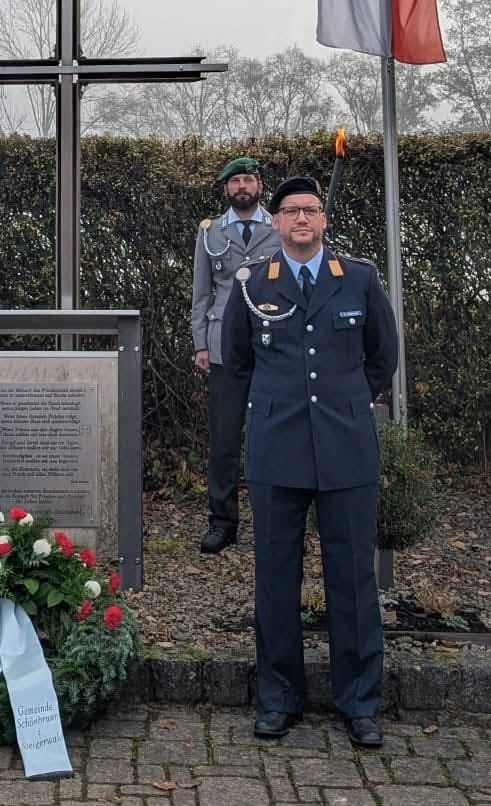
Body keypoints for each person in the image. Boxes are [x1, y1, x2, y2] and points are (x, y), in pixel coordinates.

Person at [222, 176, 398, 749]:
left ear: (324, 222)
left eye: (311, 211)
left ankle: (360, 703)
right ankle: (279, 698)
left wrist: (347, 402)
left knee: (352, 579)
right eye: (292, 211)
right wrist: (278, 405)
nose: (302, 219)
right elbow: (237, 358)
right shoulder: (253, 285)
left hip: (346, 448)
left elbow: (383, 356)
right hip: (278, 448)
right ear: (275, 223)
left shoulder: (360, 279)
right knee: (276, 579)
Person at [190, 155, 281, 553]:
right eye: (235, 181)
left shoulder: (278, 227)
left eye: (249, 179)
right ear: (226, 189)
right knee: (225, 441)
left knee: (274, 435)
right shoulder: (210, 233)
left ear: (259, 185)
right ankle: (222, 522)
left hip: (271, 345)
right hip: (225, 347)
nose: (243, 186)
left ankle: (276, 519)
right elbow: (202, 292)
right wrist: (200, 343)